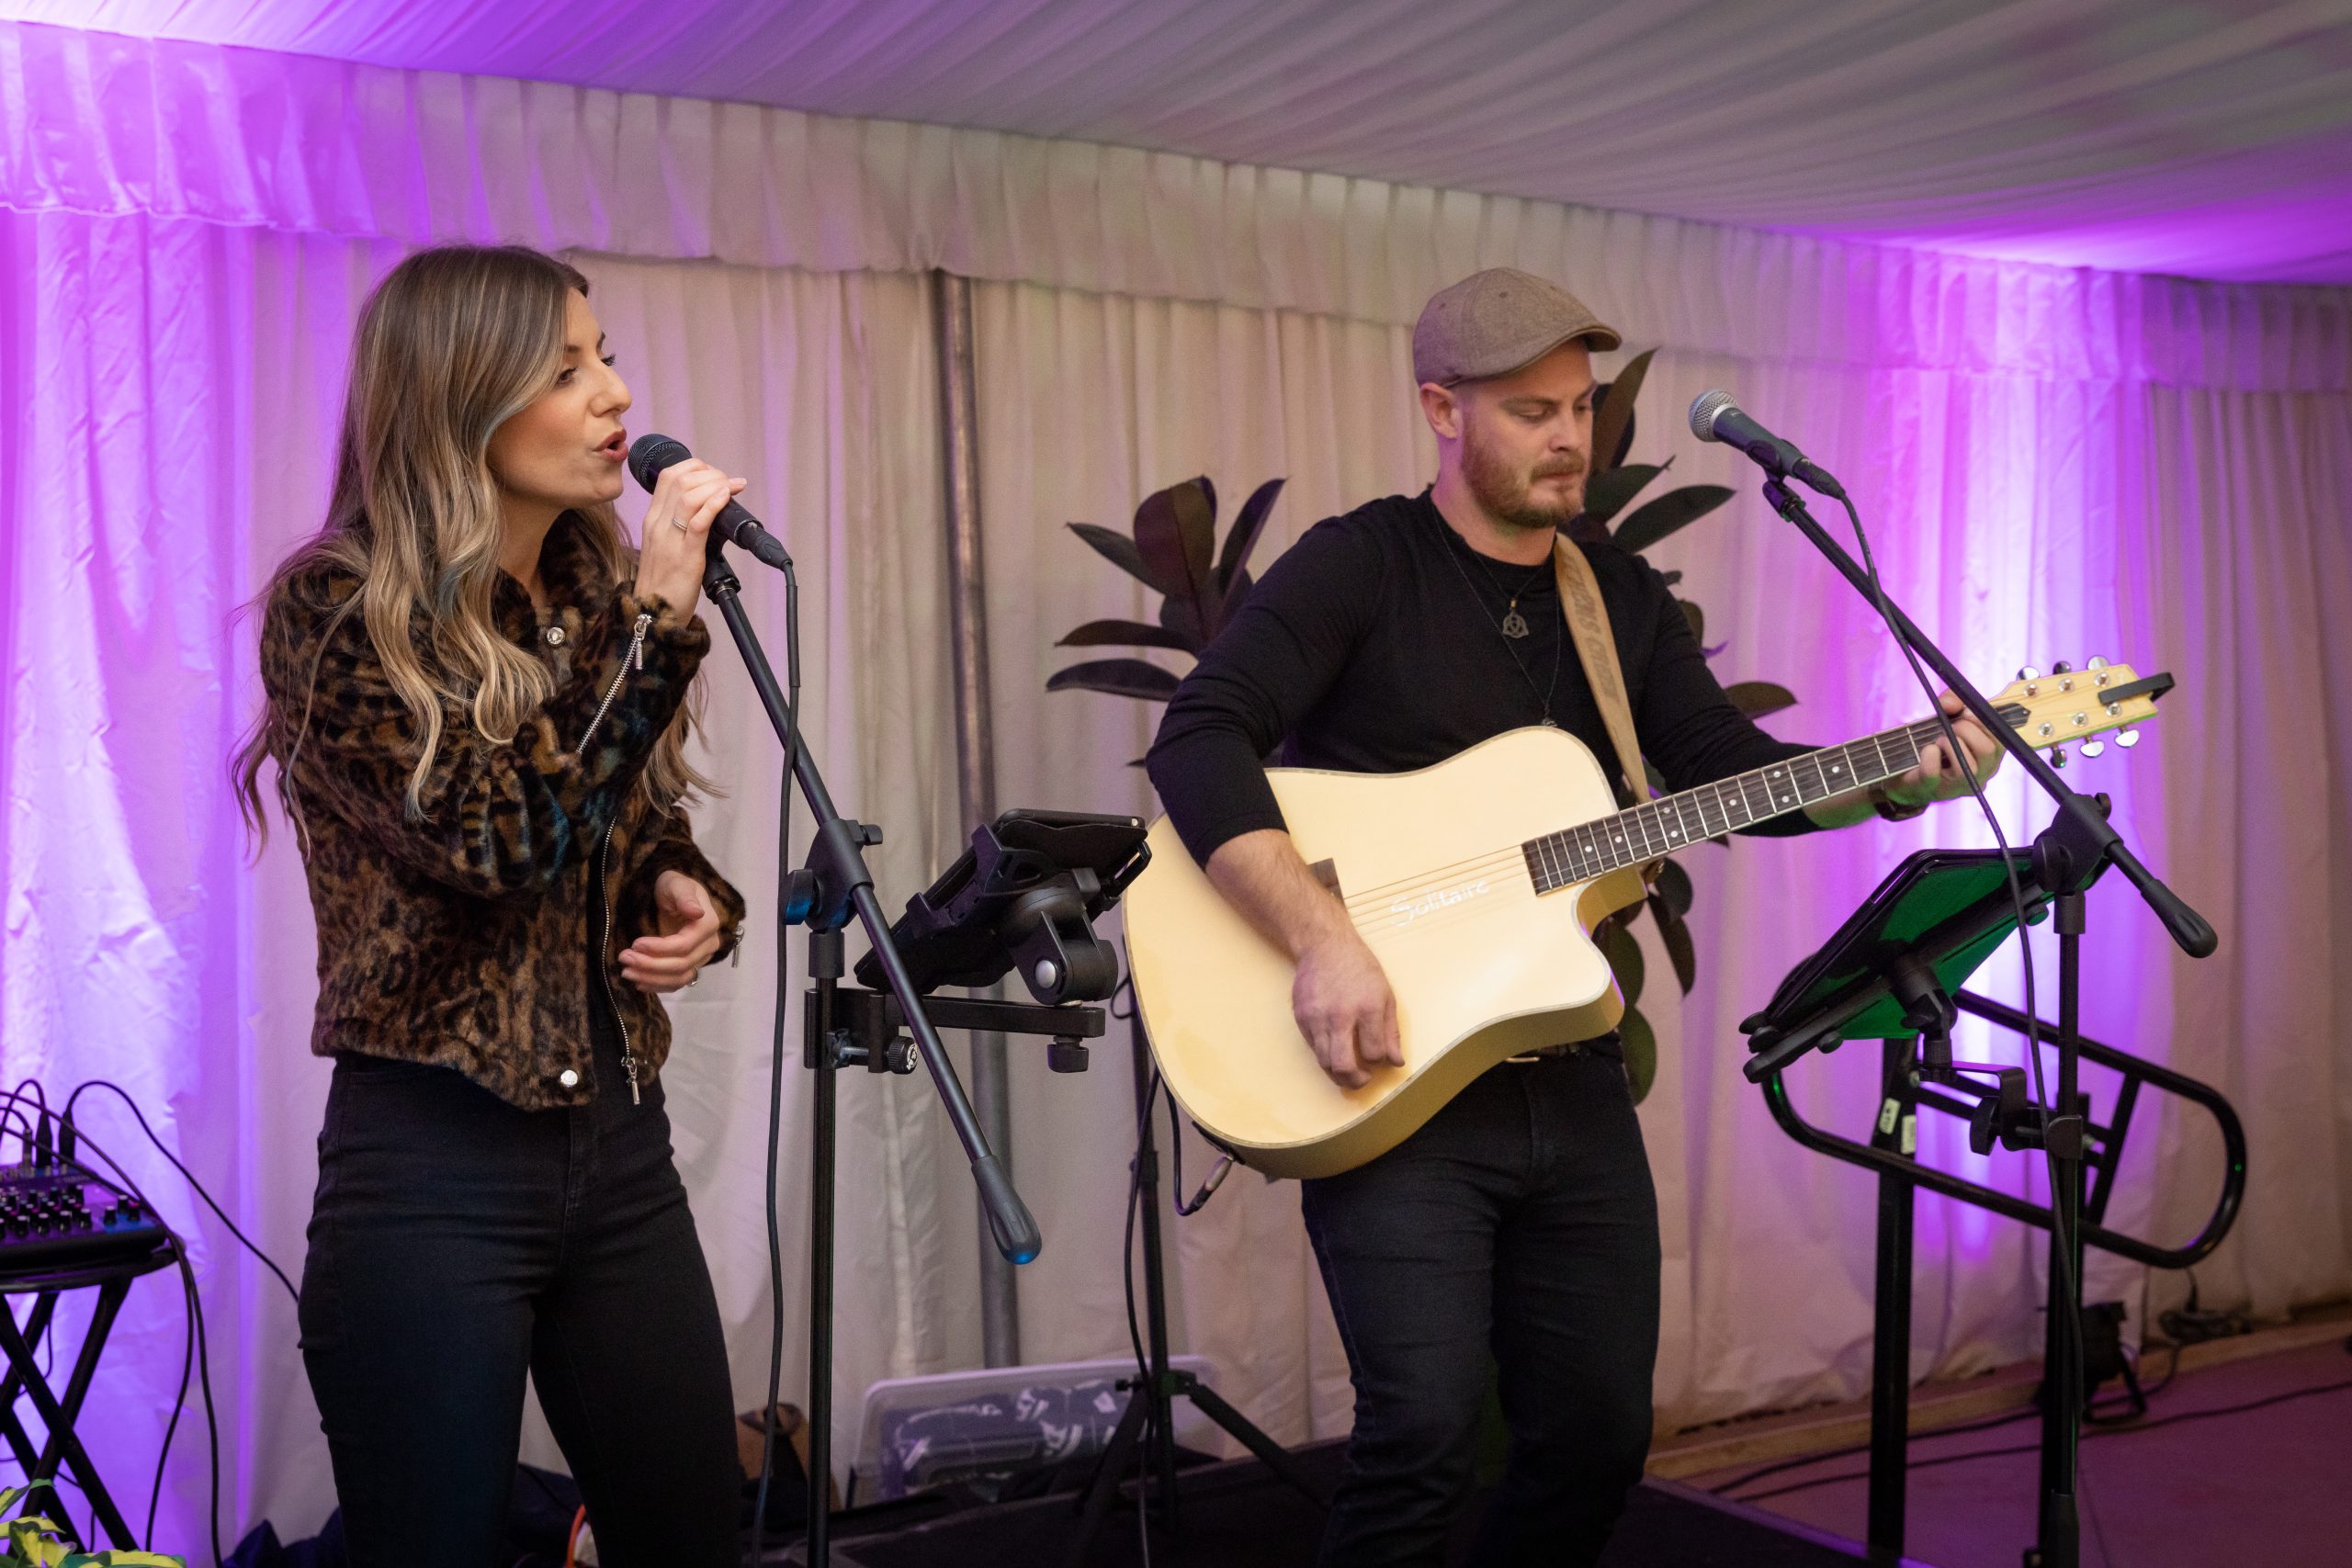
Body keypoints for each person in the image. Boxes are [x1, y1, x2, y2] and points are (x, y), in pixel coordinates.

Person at [1145, 266, 2000, 1566]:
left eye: (1584, 408)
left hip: (1574, 1075)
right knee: (1422, 1441)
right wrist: (1324, 940)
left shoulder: (1617, 595)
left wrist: (1898, 774)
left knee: (1597, 1441)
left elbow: (1718, 770)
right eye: (1533, 410)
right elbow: (1200, 734)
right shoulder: (1362, 565)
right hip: (1399, 1090)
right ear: (1441, 407)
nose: (1570, 438)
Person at [233, 244, 752, 1568]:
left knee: (693, 1536)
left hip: (616, 1152)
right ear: (462, 399)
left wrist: (680, 888)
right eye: (567, 369)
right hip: (431, 1169)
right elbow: (499, 840)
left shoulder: (585, 589)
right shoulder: (338, 610)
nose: (615, 399)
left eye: (608, 357)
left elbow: (611, 818)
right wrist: (658, 622)